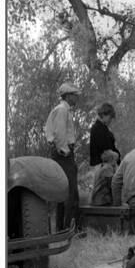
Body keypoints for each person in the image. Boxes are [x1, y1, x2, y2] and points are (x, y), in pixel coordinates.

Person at [44, 82, 81, 229]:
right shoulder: (62, 110)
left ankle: (61, 227)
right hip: (64, 155)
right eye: (74, 95)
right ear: (68, 96)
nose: (76, 98)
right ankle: (68, 228)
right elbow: (59, 133)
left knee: (62, 191)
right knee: (70, 191)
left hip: (62, 153)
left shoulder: (63, 110)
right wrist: (65, 151)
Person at [89, 102, 120, 167]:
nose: (111, 120)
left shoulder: (105, 129)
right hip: (101, 166)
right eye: (110, 117)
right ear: (103, 114)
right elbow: (105, 150)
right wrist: (116, 155)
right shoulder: (97, 129)